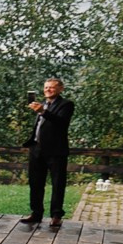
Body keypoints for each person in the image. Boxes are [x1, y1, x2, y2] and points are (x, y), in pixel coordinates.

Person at [25, 77, 74, 229]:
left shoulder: (66, 104)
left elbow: (61, 123)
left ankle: (56, 215)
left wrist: (43, 112)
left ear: (60, 89)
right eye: (46, 87)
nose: (48, 90)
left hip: (55, 151)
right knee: (35, 183)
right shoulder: (43, 104)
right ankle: (36, 213)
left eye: (51, 87)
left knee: (57, 184)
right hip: (37, 149)